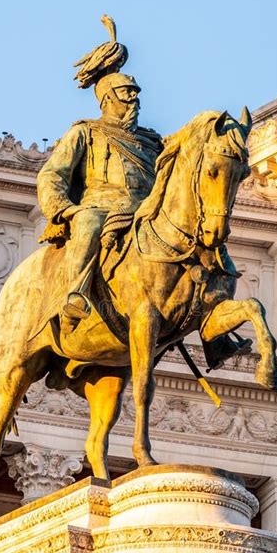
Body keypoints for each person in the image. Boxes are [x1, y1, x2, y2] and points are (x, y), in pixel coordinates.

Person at [37, 18, 162, 334]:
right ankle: (76, 294)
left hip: (144, 213)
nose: (133, 98)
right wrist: (66, 210)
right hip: (101, 210)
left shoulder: (152, 141)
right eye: (125, 93)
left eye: (134, 92)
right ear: (108, 99)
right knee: (90, 224)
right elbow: (53, 175)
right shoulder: (86, 133)